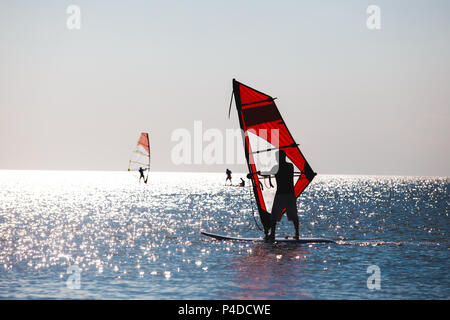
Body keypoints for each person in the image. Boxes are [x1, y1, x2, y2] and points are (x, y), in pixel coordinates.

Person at [262, 150, 299, 241]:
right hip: (290, 194)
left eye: (276, 157)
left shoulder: (277, 167)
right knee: (293, 215)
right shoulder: (290, 166)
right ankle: (297, 234)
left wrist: (255, 174)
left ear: (279, 158)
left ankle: (273, 235)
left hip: (281, 194)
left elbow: (267, 173)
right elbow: (269, 172)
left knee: (274, 216)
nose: (276, 159)